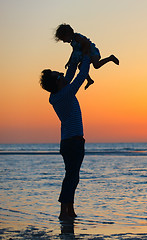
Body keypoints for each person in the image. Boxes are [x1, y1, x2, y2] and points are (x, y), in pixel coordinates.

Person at [39, 52, 91, 220]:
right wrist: (88, 58)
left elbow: (69, 75)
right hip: (73, 143)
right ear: (57, 82)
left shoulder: (56, 95)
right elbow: (81, 76)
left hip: (70, 142)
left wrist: (76, 56)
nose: (62, 75)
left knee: (72, 176)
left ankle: (69, 209)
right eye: (59, 75)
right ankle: (64, 211)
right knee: (71, 177)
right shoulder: (65, 94)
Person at [55, 23, 119, 90]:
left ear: (67, 34)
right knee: (80, 67)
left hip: (92, 52)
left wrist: (85, 54)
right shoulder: (73, 42)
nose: (64, 41)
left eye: (63, 39)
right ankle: (89, 80)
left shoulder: (77, 37)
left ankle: (110, 58)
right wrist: (69, 61)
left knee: (96, 65)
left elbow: (86, 43)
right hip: (87, 54)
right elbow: (74, 51)